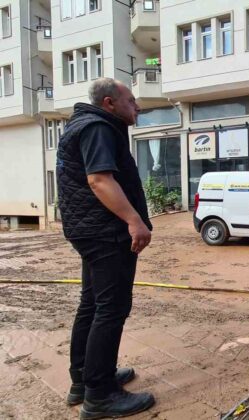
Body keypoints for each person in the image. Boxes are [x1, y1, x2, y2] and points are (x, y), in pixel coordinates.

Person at [56, 78, 155, 418]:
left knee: (92, 304)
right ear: (110, 103)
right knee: (110, 308)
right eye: (131, 100)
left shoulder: (85, 124)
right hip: (106, 232)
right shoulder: (98, 127)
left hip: (91, 230)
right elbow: (99, 180)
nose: (137, 107)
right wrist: (134, 221)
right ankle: (100, 395)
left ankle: (84, 381)